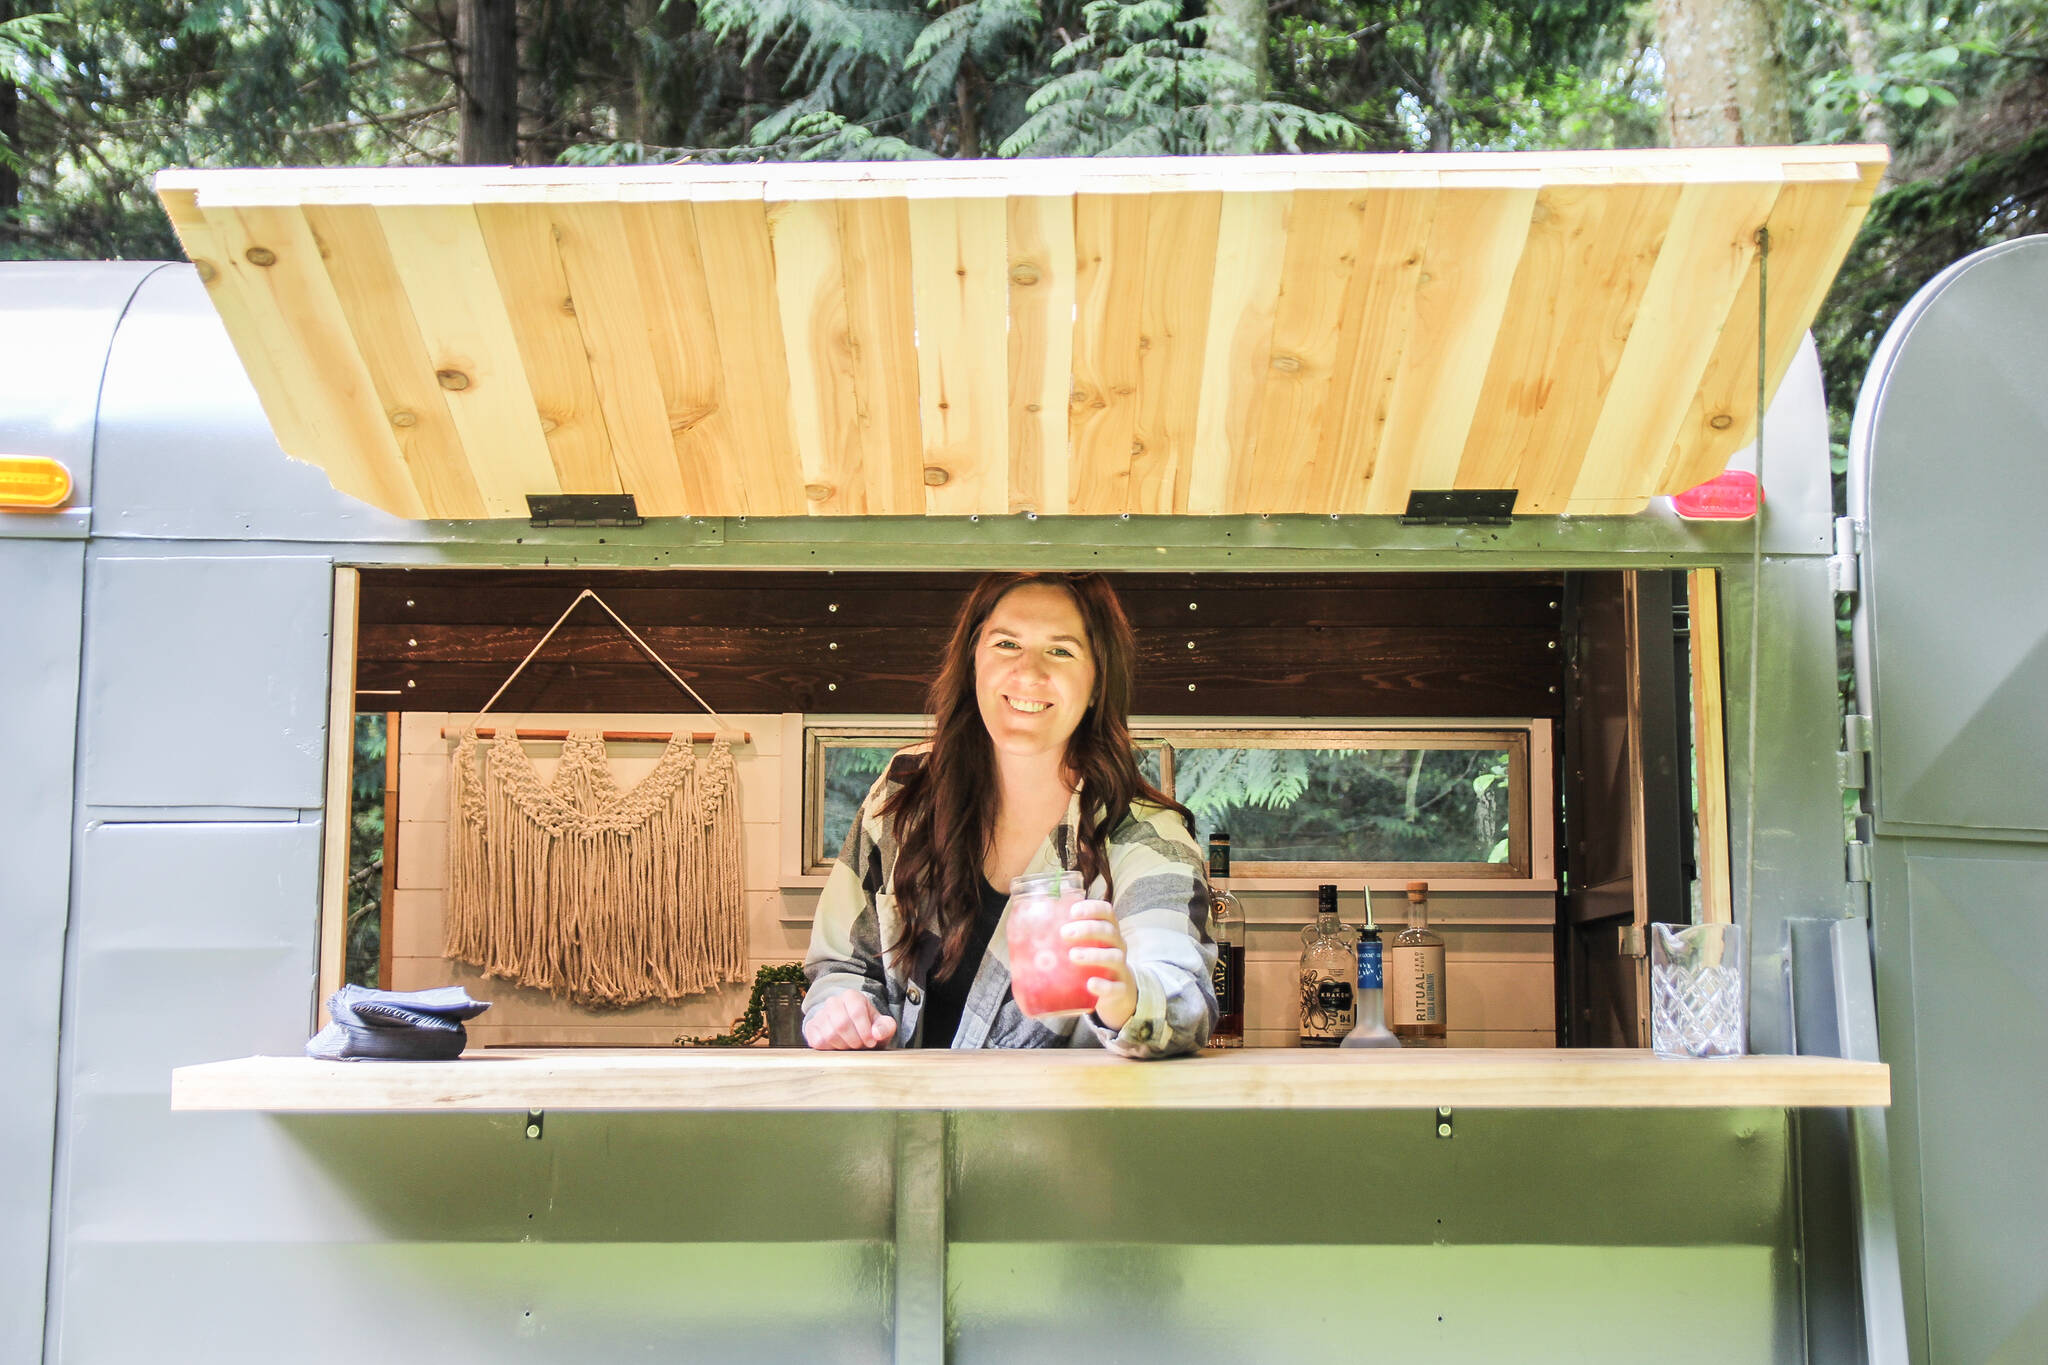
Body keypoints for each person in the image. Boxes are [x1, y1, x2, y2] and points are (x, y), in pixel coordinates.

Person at [803, 571, 1216, 1058]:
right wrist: (839, 1010)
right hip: (899, 1127)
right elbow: (840, 970)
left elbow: (1181, 999)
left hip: (1063, 1132)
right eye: (1006, 643)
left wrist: (1125, 996)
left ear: (1098, 681)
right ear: (972, 659)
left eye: (1061, 650)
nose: (1029, 672)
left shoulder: (1144, 837)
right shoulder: (905, 794)